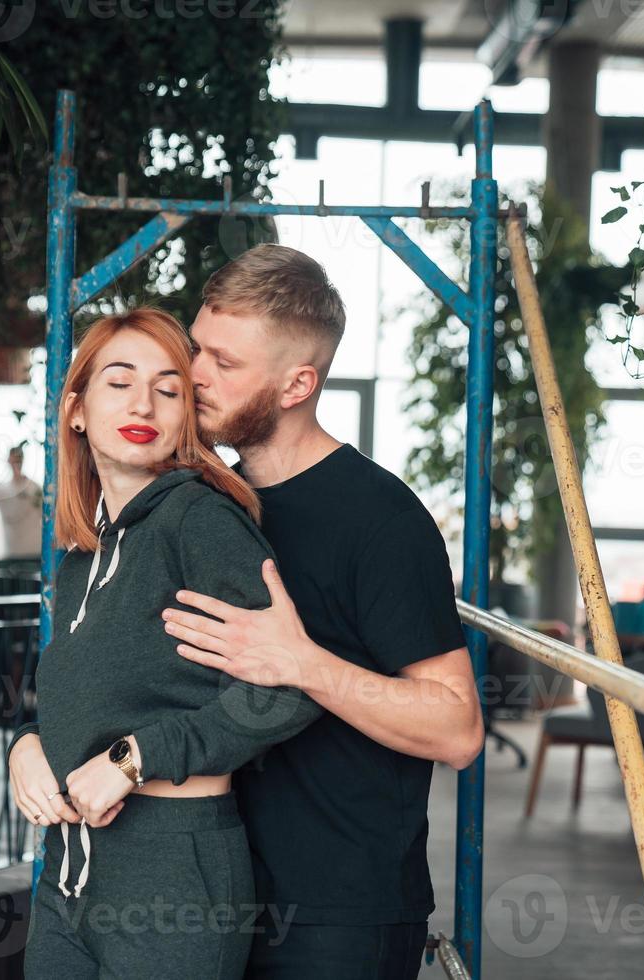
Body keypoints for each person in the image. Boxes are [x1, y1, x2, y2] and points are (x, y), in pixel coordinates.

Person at [147, 244, 485, 978]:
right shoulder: (211, 505)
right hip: (222, 892)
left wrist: (303, 664)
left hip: (339, 913)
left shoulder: (380, 518)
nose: (195, 375)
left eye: (225, 364)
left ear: (299, 383)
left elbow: (457, 728)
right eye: (196, 348)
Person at [6, 308, 322, 979]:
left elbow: (286, 693)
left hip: (172, 880)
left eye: (168, 389)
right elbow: (76, 700)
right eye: (118, 383)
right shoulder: (78, 561)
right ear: (76, 410)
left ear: (186, 418)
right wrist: (25, 745)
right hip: (67, 875)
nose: (143, 403)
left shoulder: (201, 523)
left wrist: (132, 759)